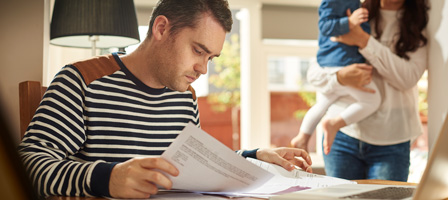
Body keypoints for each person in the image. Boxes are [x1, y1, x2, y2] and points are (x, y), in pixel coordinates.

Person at [18, 0, 312, 198]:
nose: (203, 68)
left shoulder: (184, 98)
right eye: (198, 50)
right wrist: (108, 178)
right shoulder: (82, 81)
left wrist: (254, 157)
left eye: (211, 57)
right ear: (161, 29)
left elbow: (193, 169)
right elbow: (29, 165)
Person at [293, 0, 428, 181]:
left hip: (392, 139)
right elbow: (316, 71)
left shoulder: (418, 23)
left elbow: (407, 79)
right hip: (343, 137)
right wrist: (340, 77)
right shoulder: (354, 12)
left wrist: (363, 40)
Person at [290, 0, 381, 155]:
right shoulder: (333, 1)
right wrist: (350, 22)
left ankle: (302, 137)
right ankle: (334, 124)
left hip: (337, 63)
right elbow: (325, 27)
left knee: (323, 103)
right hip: (341, 62)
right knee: (372, 100)